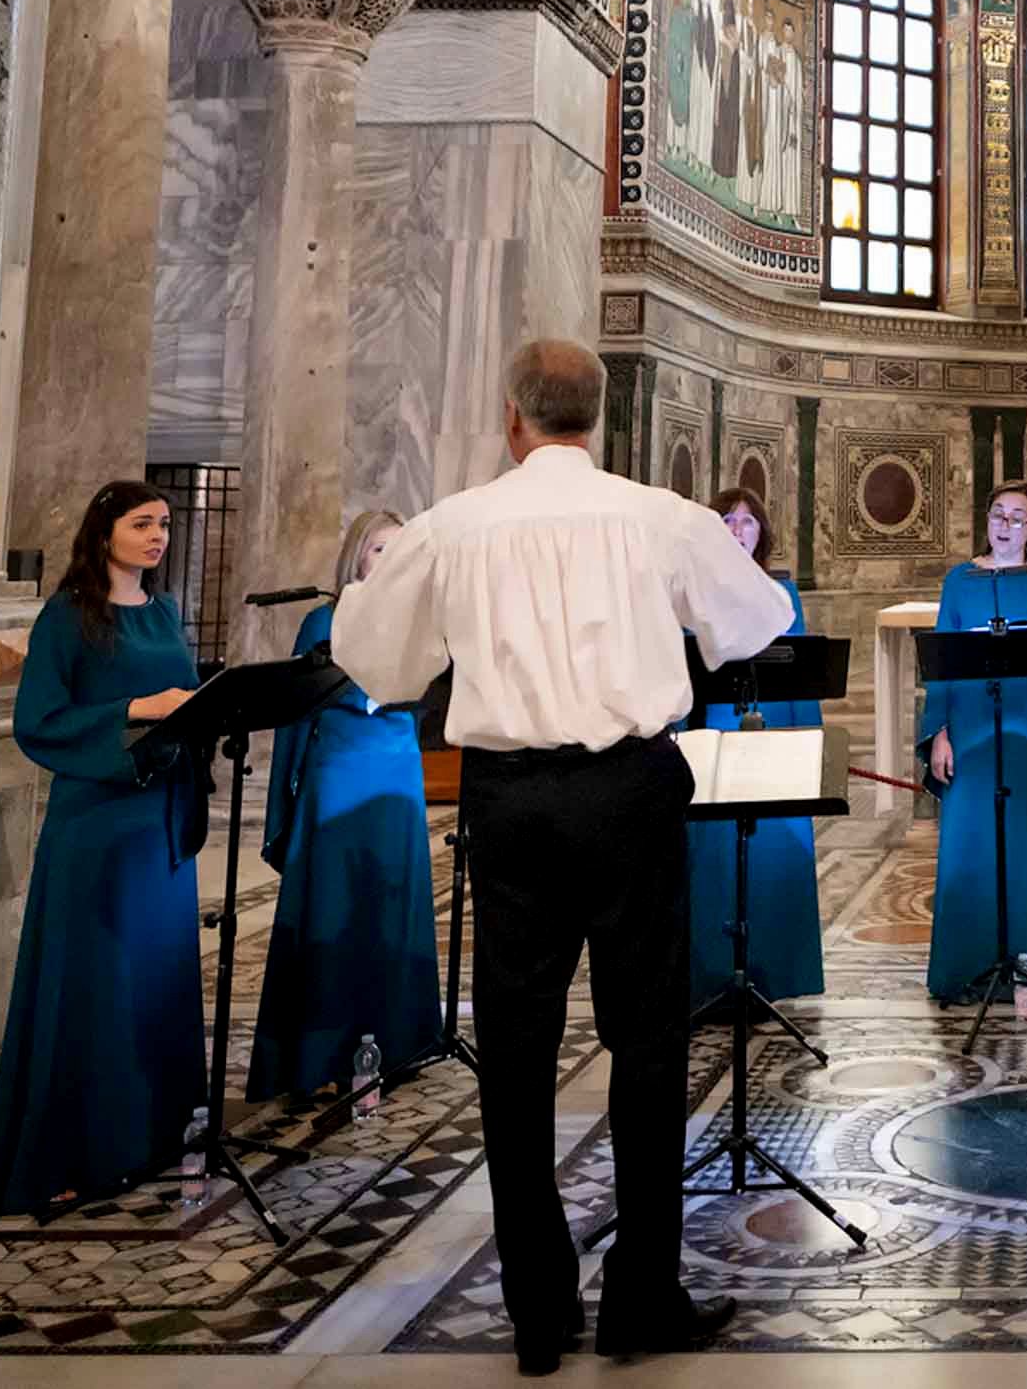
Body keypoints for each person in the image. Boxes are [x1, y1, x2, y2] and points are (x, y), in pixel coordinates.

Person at [334, 341, 794, 1368]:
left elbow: (372, 656)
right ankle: (640, 1303)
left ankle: (539, 1314)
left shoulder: (455, 524)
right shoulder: (657, 515)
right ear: (599, 421)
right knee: (648, 1044)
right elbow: (762, 619)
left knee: (515, 1052)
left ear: (512, 419)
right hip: (630, 793)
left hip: (511, 805)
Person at [0, 482, 205, 1219]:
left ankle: (149, 1136)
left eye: (164, 525)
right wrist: (136, 708)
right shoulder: (68, 616)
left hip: (160, 822)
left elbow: (191, 698)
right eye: (141, 524)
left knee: (151, 978)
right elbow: (39, 720)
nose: (156, 536)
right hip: (98, 823)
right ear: (103, 530)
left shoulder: (165, 612)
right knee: (92, 985)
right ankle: (71, 1152)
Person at [248, 509, 441, 1102]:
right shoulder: (322, 620)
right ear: (357, 555)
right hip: (340, 768)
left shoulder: (418, 620)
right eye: (382, 549)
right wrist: (289, 795)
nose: (391, 561)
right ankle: (322, 1051)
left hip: (397, 770)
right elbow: (297, 713)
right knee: (335, 905)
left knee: (392, 902)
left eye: (401, 552)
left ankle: (397, 1042)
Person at [920, 480, 1027, 1003]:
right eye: (998, 514)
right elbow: (943, 667)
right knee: (972, 850)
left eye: (1018, 517)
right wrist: (939, 733)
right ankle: (968, 968)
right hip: (971, 736)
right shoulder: (960, 581)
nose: (1006, 525)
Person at [682, 486, 825, 1003]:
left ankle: (773, 973)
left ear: (761, 533)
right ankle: (712, 976)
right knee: (712, 858)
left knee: (771, 857)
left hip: (769, 739)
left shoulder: (781, 595)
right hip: (712, 738)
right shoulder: (690, 593)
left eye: (747, 522)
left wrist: (807, 749)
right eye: (727, 520)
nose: (738, 530)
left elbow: (803, 681)